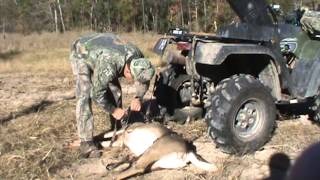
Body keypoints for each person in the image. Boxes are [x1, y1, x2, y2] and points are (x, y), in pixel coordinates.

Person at [70, 33, 155, 158]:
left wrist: (138, 97)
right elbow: (97, 93)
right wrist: (113, 109)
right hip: (82, 52)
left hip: (106, 53)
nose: (134, 82)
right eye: (134, 79)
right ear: (127, 71)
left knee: (116, 91)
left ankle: (116, 127)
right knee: (85, 93)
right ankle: (86, 142)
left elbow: (144, 81)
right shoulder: (109, 63)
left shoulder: (139, 60)